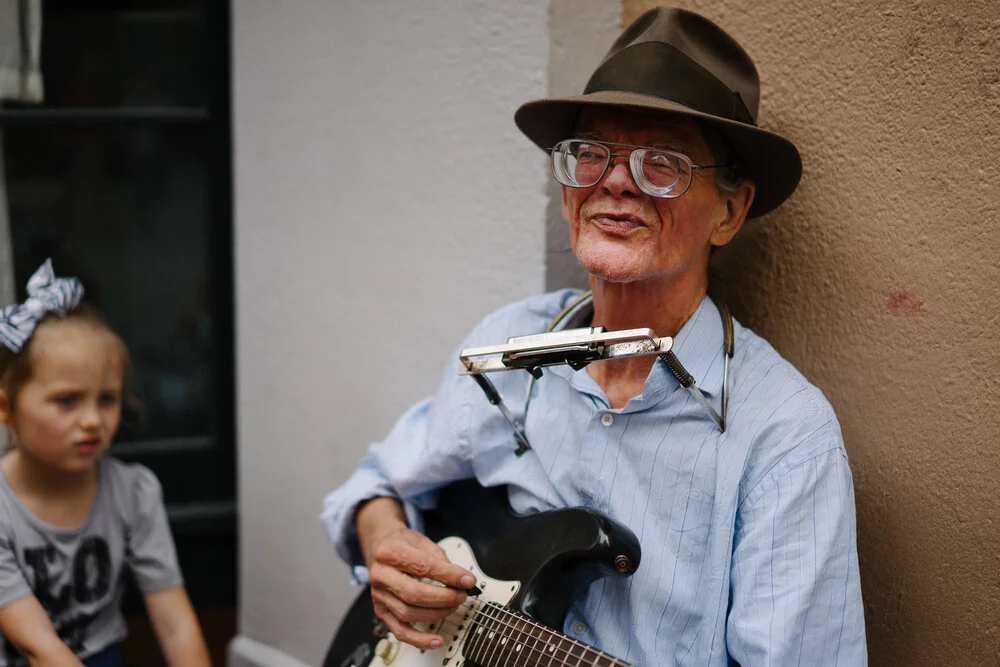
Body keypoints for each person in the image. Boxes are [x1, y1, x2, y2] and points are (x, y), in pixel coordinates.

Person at [321, 6, 867, 666]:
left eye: (660, 162)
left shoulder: (784, 438)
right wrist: (385, 543)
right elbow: (377, 482)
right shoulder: (510, 343)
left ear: (731, 209)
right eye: (590, 153)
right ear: (566, 190)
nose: (613, 180)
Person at [0, 260, 211, 667]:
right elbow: (37, 647)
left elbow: (174, 622)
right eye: (67, 400)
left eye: (107, 399)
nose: (93, 420)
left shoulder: (133, 491)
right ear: (7, 408)